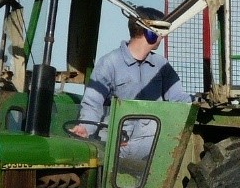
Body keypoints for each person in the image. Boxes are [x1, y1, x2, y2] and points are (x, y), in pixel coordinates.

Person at [72, 8, 190, 139]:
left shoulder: (162, 65)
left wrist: (197, 102)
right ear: (150, 33)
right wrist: (85, 128)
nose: (162, 36)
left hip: (150, 145)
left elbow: (179, 99)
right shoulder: (110, 63)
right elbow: (93, 102)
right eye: (160, 31)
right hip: (117, 144)